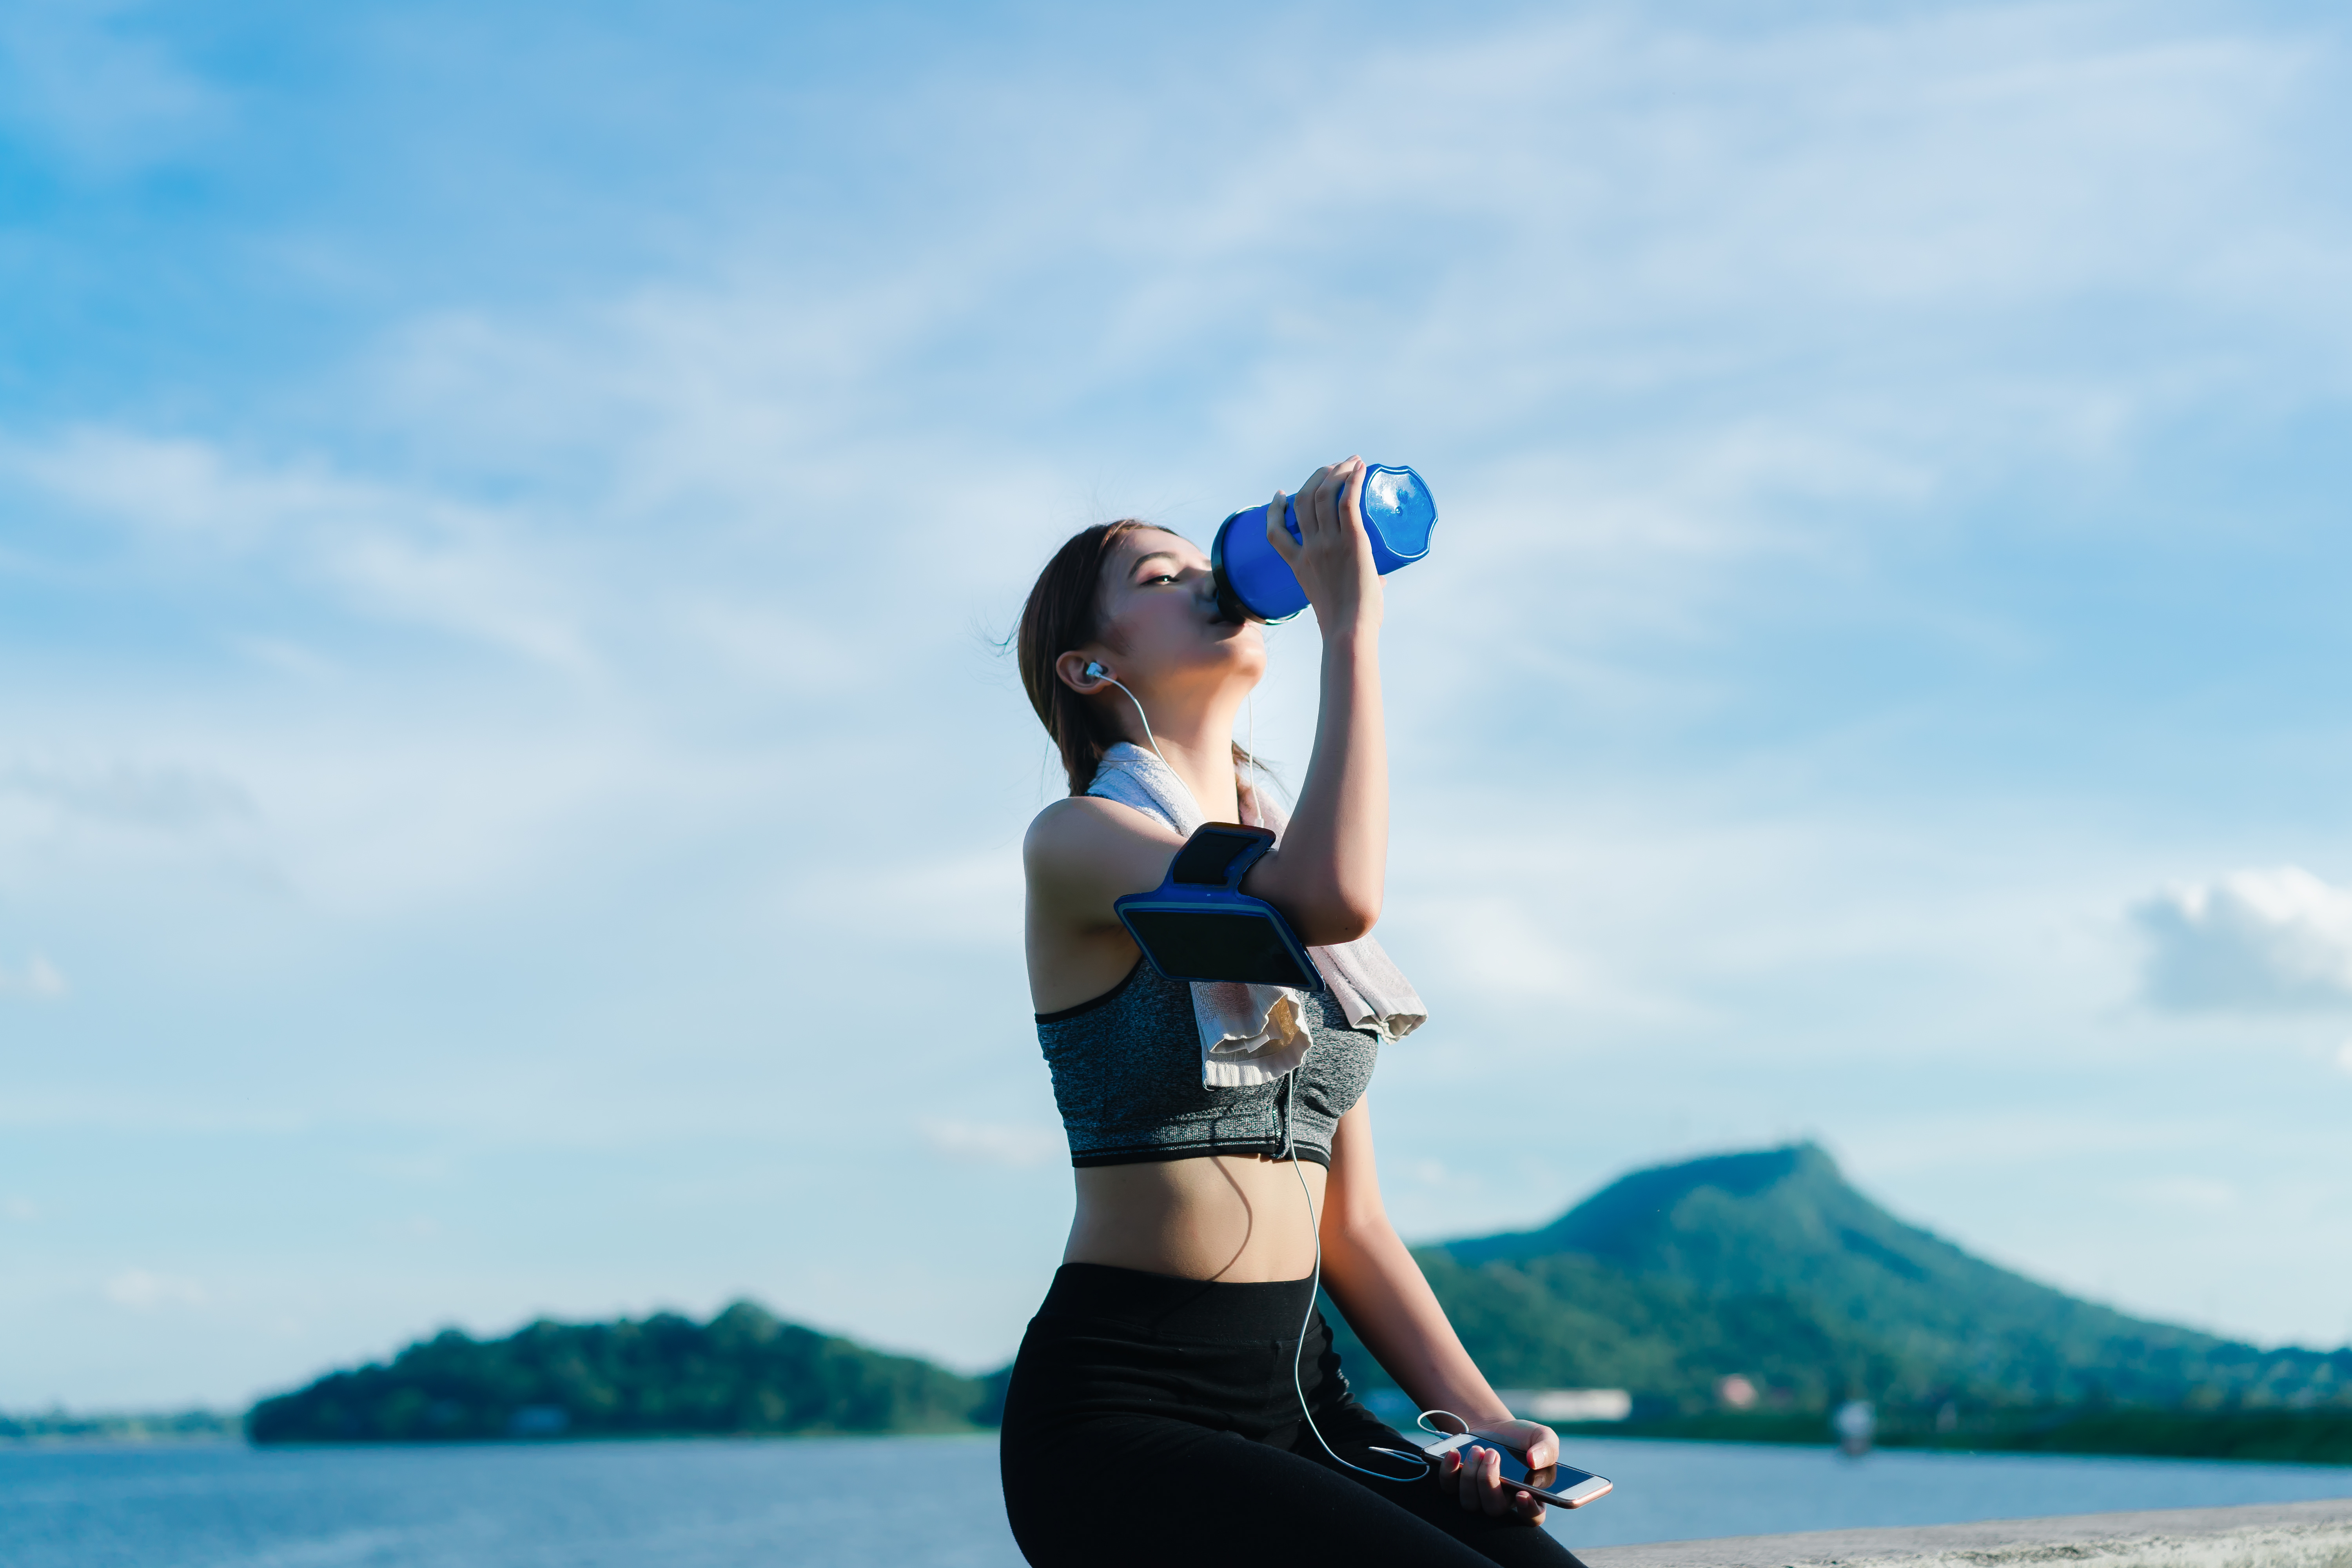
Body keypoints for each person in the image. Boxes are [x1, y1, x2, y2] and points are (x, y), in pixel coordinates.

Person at [1000, 458, 1588, 1567]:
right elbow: (1329, 894)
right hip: (1125, 1419)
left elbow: (1350, 1226)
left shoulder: (1280, 861)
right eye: (1162, 575)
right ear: (1091, 664)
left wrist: (1485, 1422)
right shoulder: (1079, 844)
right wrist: (1351, 633)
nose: (1206, 580)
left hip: (1305, 1406)